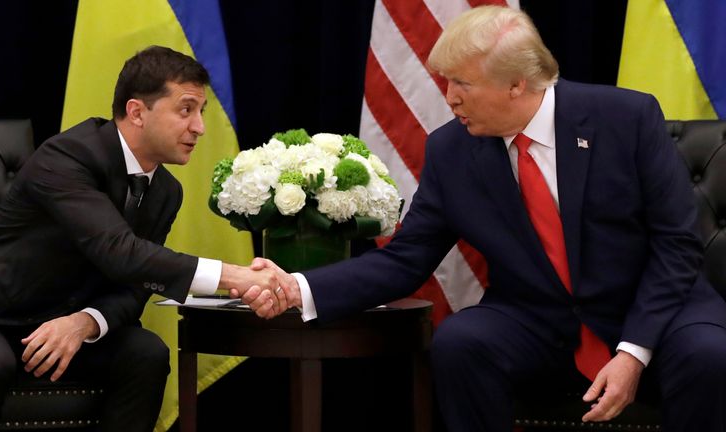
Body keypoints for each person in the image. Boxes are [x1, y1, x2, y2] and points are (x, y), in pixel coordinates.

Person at [243, 6, 726, 431]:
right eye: (446, 82)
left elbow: (677, 245)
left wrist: (633, 351)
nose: (449, 98)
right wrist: (298, 286)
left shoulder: (625, 118)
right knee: (461, 342)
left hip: (653, 309)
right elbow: (406, 260)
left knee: (708, 355)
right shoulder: (452, 149)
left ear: (518, 83)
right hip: (540, 318)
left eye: (462, 84)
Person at [0, 46, 285, 432]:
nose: (199, 127)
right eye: (186, 110)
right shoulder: (67, 156)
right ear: (136, 112)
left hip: (62, 323)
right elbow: (120, 252)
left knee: (146, 352)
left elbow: (134, 289)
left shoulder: (166, 191)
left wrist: (84, 322)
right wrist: (236, 276)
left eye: (201, 112)